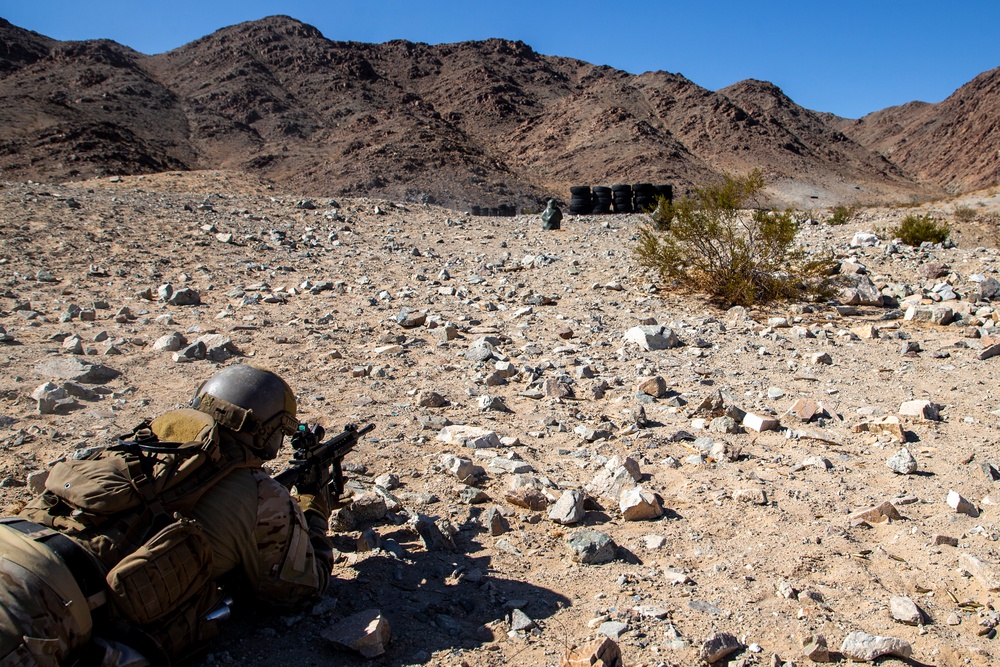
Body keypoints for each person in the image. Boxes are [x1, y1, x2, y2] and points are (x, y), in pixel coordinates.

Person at [0, 365, 335, 666]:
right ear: (270, 434)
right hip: (43, 603)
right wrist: (313, 504)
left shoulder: (135, 447)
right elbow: (298, 589)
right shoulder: (262, 495)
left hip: (12, 538)